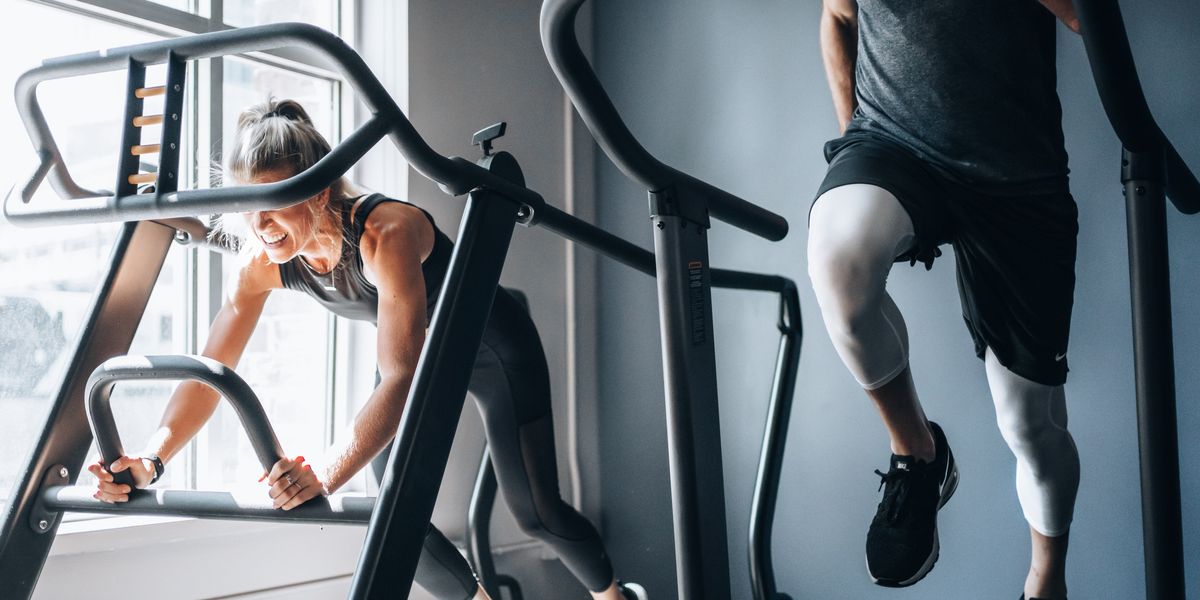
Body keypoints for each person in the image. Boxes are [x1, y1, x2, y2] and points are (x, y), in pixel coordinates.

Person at [87, 98, 647, 600]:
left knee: (537, 514)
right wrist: (152, 459)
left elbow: (401, 377)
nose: (260, 227)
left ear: (318, 189)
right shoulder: (263, 262)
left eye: (275, 204)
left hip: (495, 348)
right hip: (420, 352)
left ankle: (613, 597)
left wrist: (324, 474)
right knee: (393, 507)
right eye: (247, 207)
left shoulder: (384, 233)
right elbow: (210, 373)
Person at [810, 1, 1083, 599]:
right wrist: (854, 138)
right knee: (839, 263)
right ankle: (917, 453)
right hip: (893, 143)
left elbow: (1086, 17)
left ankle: (1046, 578)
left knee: (1029, 424)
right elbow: (839, 17)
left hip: (1017, 174)